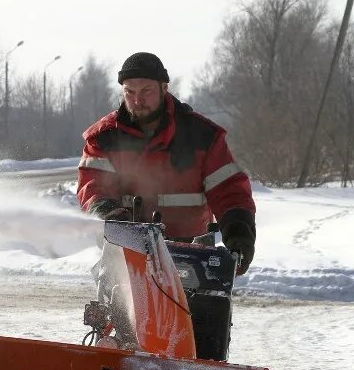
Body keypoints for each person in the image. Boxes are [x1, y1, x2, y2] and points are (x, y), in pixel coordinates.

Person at [77, 52, 256, 274]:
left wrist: (239, 234)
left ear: (164, 88)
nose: (137, 101)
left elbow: (230, 191)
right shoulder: (104, 138)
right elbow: (92, 188)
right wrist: (109, 215)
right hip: (127, 257)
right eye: (129, 92)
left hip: (194, 259)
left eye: (146, 91)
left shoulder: (203, 137)